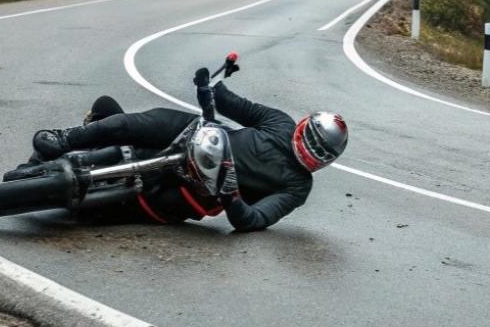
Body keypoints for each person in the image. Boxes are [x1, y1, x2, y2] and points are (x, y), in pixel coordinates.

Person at [30, 70, 348, 232]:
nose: (310, 149)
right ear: (305, 126)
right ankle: (64, 139)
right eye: (312, 139)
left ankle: (76, 190)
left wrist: (231, 195)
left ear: (325, 160)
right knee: (131, 123)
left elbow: (254, 219)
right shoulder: (280, 122)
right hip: (194, 136)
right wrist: (210, 84)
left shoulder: (297, 186)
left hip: (202, 190)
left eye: (319, 150)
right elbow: (233, 104)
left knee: (90, 219)